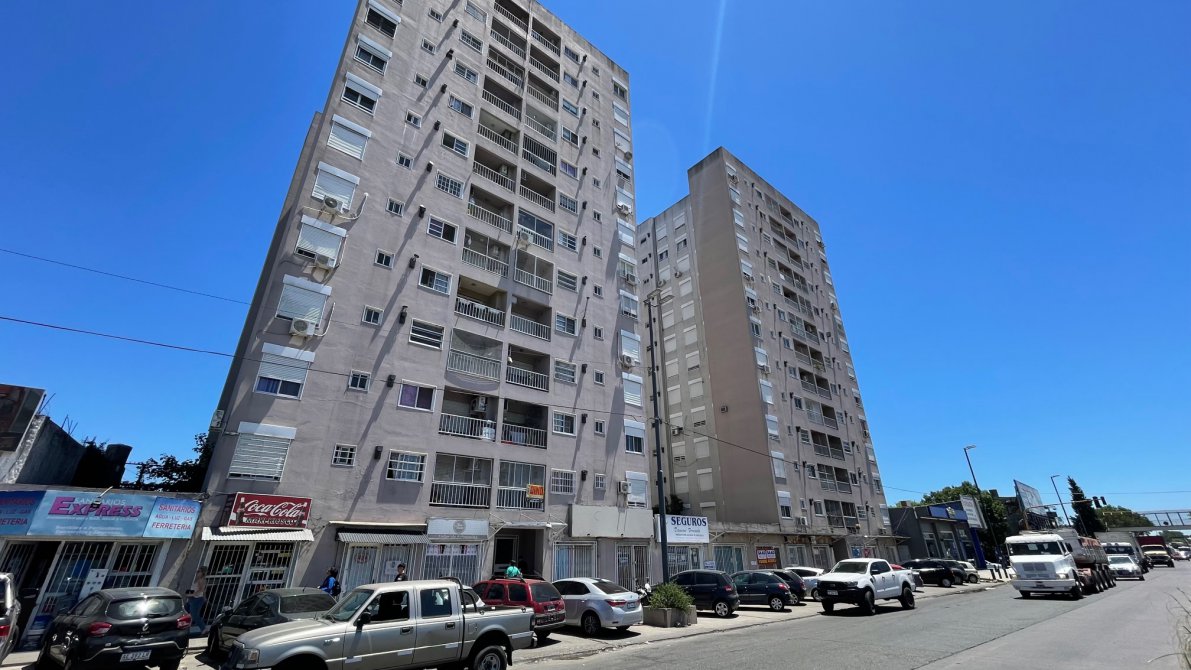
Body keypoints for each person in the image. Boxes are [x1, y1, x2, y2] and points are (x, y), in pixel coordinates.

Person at [185, 566, 207, 635]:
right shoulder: (198, 580)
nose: (197, 573)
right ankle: (186, 627)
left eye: (198, 571)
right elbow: (203, 591)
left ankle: (203, 629)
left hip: (197, 599)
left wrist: (192, 595)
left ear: (202, 573)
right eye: (197, 571)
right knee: (185, 612)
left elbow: (201, 590)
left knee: (195, 615)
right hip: (193, 599)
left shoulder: (201, 580)